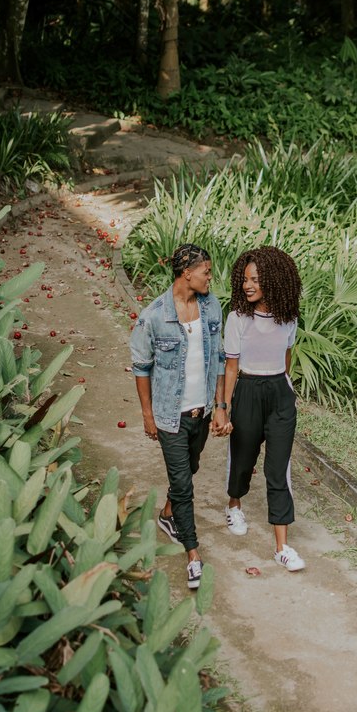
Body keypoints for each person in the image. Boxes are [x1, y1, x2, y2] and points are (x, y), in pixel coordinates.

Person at [130, 243, 230, 590]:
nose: (210, 277)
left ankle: (168, 514)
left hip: (201, 410)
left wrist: (219, 406)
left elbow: (218, 359)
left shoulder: (211, 305)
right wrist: (147, 414)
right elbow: (141, 368)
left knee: (191, 468)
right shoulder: (154, 316)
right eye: (206, 271)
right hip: (169, 415)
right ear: (187, 273)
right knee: (184, 484)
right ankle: (193, 555)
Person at [221, 246, 306, 572]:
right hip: (248, 389)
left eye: (255, 279)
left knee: (278, 469)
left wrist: (287, 388)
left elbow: (285, 358)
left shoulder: (289, 319)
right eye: (245, 279)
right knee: (242, 457)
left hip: (279, 394)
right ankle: (234, 504)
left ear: (273, 280)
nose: (247, 285)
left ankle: (282, 547)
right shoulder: (238, 319)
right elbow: (231, 367)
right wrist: (224, 408)